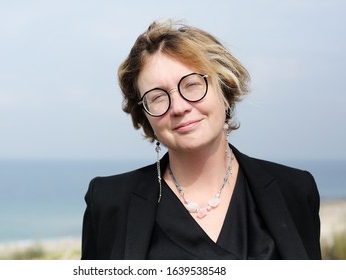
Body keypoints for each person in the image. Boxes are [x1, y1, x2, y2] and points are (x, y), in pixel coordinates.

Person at [81, 20, 321, 260]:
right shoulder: (108, 202)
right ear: (145, 114)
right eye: (157, 97)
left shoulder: (296, 190)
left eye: (192, 85)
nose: (178, 107)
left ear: (225, 89)